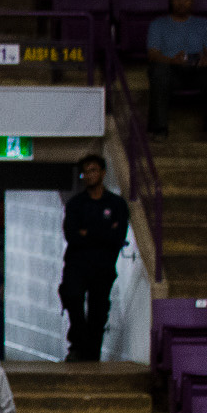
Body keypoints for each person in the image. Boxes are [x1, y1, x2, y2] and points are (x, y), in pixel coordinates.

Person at [60, 154, 130, 361]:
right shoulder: (75, 204)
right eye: (86, 172)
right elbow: (72, 235)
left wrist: (88, 233)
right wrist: (102, 232)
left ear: (102, 173)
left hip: (103, 266)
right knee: (72, 298)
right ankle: (78, 344)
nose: (89, 175)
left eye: (93, 171)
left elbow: (117, 237)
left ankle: (92, 356)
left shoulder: (116, 204)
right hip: (77, 264)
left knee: (98, 312)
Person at [146, 0, 207, 137]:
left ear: (192, 0)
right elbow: (153, 54)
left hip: (198, 71)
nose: (182, 2)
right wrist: (172, 60)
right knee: (158, 70)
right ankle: (159, 129)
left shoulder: (204, 24)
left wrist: (205, 61)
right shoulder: (157, 24)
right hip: (171, 71)